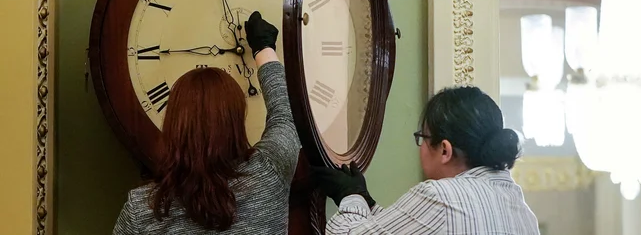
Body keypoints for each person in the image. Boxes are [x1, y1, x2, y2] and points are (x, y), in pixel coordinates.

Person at [113, 12, 300, 234]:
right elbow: (285, 116)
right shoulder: (269, 171)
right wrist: (264, 49)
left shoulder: (142, 209)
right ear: (235, 121)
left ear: (174, 123)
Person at [314, 86, 540, 234]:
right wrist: (367, 201)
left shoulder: (441, 196)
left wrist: (349, 196)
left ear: (444, 150)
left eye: (422, 137)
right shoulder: (522, 211)